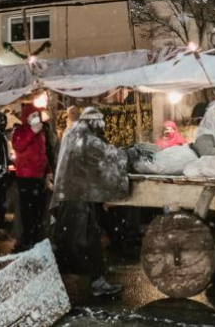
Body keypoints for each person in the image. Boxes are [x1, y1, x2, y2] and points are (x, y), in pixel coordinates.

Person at [51, 107, 129, 297]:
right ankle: (97, 282)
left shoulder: (70, 133)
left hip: (66, 194)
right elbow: (111, 157)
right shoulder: (89, 140)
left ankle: (55, 280)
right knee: (87, 239)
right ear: (94, 122)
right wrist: (127, 154)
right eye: (100, 122)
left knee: (67, 238)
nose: (102, 126)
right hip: (79, 197)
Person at [11, 104, 50, 252]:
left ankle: (33, 237)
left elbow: (43, 153)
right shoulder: (21, 131)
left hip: (38, 177)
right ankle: (27, 238)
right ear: (26, 117)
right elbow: (18, 146)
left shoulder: (41, 132)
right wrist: (31, 132)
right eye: (32, 115)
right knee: (27, 210)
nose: (36, 118)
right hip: (26, 177)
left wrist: (48, 170)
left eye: (37, 115)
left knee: (37, 209)